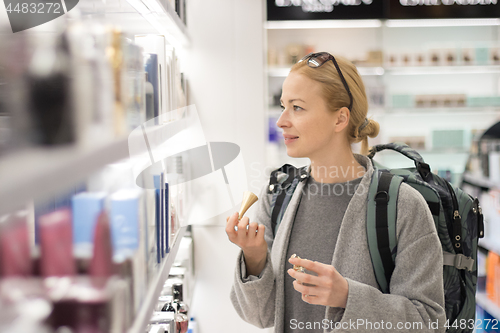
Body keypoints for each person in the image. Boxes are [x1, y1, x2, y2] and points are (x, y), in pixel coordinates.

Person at [226, 52, 446, 332]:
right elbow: (261, 316)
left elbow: (429, 322)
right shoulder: (277, 195)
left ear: (340, 119)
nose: (281, 120)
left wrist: (347, 297)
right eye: (283, 106)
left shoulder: (402, 205)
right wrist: (254, 257)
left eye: (297, 108)